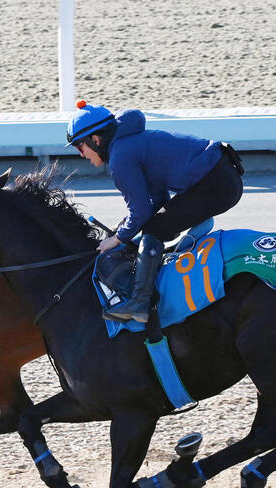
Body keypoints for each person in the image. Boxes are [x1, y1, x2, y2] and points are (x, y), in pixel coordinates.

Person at [66, 100, 244, 323]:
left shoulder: (121, 157)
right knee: (156, 225)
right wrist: (121, 230)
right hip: (222, 177)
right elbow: (157, 199)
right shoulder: (128, 143)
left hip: (216, 184)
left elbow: (140, 212)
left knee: (155, 229)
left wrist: (119, 238)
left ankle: (140, 302)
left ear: (96, 139)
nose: (80, 154)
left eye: (79, 147)